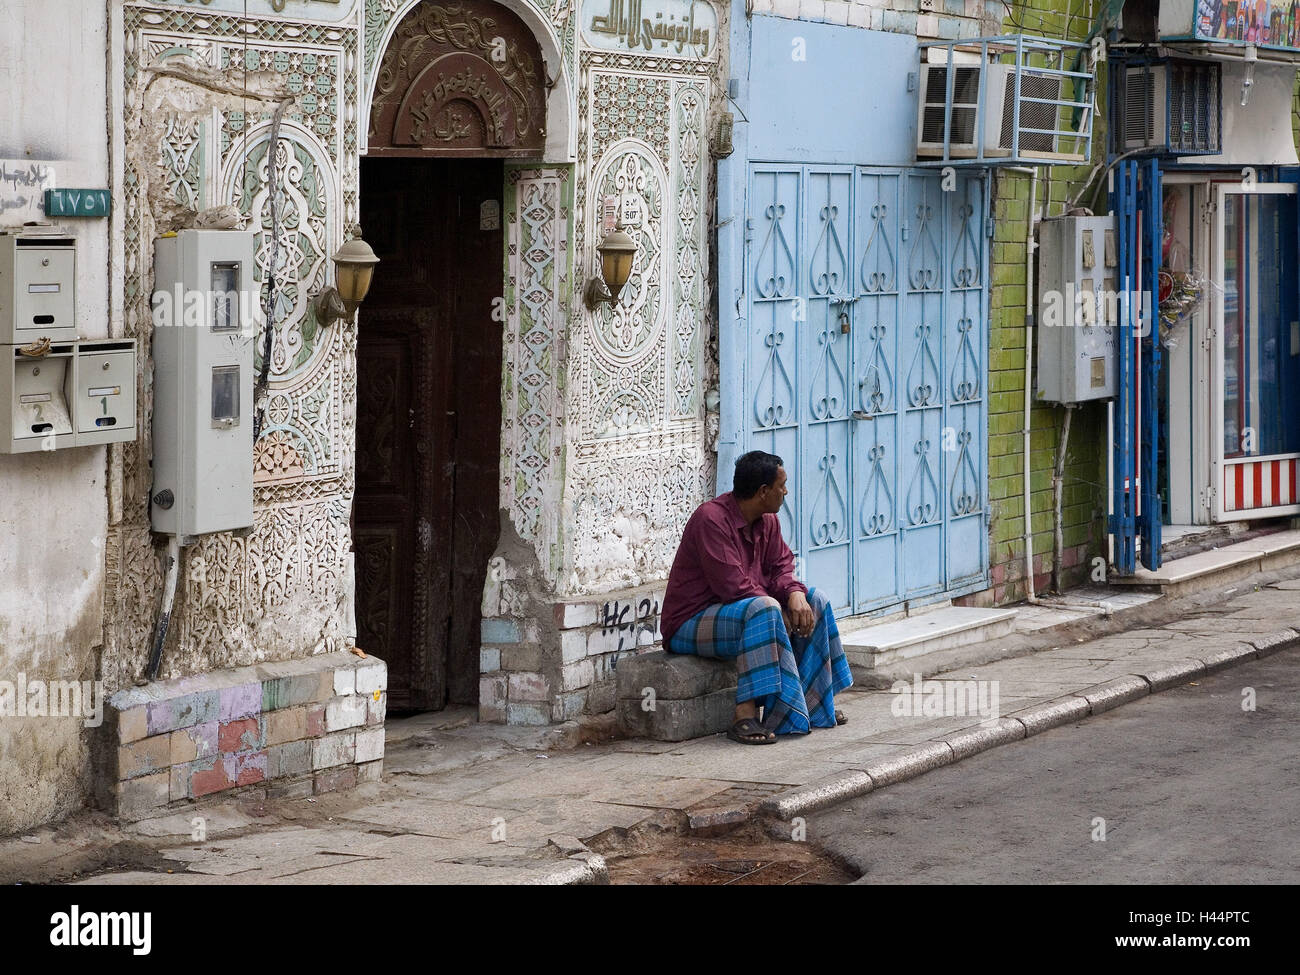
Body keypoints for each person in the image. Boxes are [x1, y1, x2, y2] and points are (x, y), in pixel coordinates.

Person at [660, 450, 854, 744]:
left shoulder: (767, 520)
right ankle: (744, 717)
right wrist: (780, 606)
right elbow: (733, 586)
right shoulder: (710, 519)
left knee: (816, 600)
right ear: (764, 492)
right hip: (690, 622)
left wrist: (794, 594)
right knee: (765, 609)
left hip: (740, 612)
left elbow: (781, 566)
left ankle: (813, 704)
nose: (785, 492)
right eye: (781, 486)